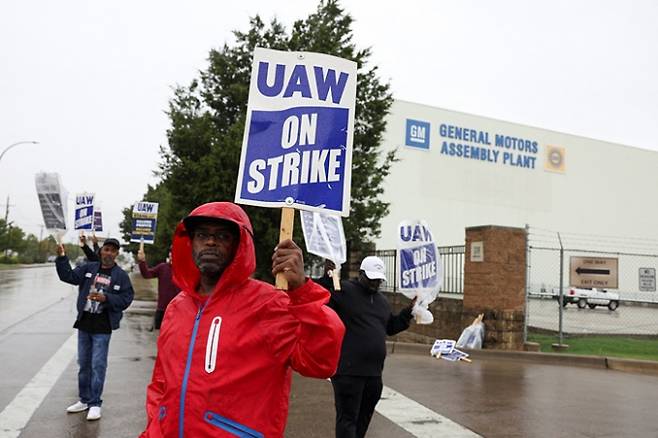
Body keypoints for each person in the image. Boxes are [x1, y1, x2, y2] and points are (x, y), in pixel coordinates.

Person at [140, 201, 345, 438]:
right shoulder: (177, 307)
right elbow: (160, 382)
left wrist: (302, 290)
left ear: (240, 245)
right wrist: (153, 430)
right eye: (202, 234)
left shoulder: (269, 304)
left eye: (223, 236)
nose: (210, 242)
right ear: (190, 242)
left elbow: (320, 362)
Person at [320, 256, 415, 438]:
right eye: (371, 278)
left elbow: (389, 327)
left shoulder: (382, 301)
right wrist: (327, 276)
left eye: (378, 279)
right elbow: (321, 297)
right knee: (348, 420)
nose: (375, 282)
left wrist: (408, 313)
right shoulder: (344, 290)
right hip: (349, 372)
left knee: (363, 419)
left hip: (374, 375)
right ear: (361, 274)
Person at [55, 238, 135, 421]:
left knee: (98, 366)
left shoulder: (120, 275)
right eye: (106, 249)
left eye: (113, 251)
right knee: (83, 365)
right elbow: (68, 276)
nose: (109, 253)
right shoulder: (89, 268)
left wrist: (107, 298)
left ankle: (95, 403)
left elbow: (127, 298)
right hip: (85, 323)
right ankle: (84, 400)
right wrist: (61, 258)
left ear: (116, 254)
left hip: (103, 326)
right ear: (101, 251)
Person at [137, 246, 178, 330]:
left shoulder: (185, 270)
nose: (172, 255)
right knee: (160, 336)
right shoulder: (162, 267)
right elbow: (146, 274)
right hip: (162, 309)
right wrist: (142, 261)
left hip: (178, 310)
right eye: (171, 252)